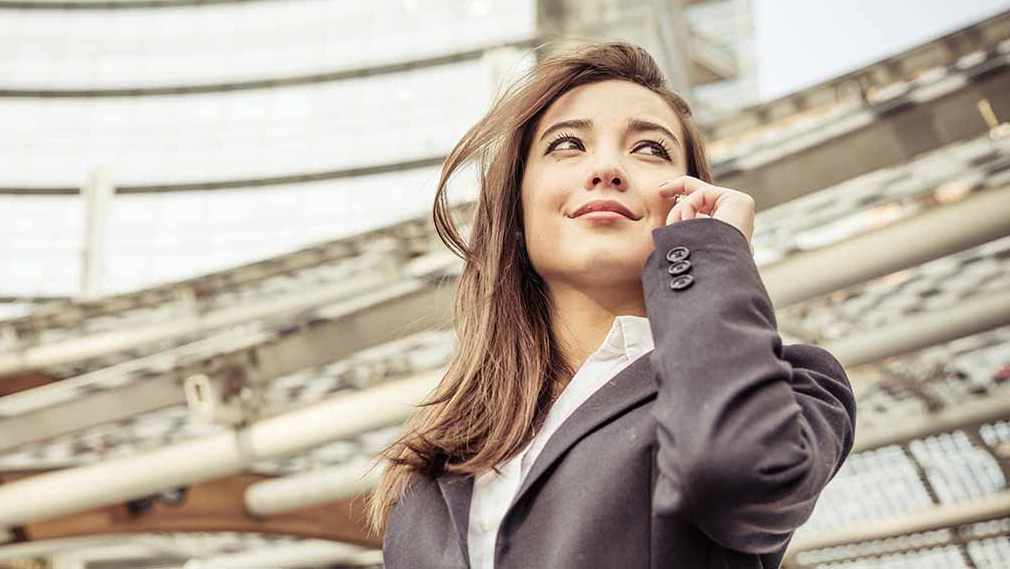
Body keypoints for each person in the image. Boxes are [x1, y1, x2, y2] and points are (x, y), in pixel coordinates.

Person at [364, 41, 857, 568]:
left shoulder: (794, 386)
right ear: (518, 203)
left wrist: (711, 252)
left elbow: (735, 473)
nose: (606, 168)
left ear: (690, 197)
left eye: (649, 149)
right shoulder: (433, 468)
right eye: (567, 144)